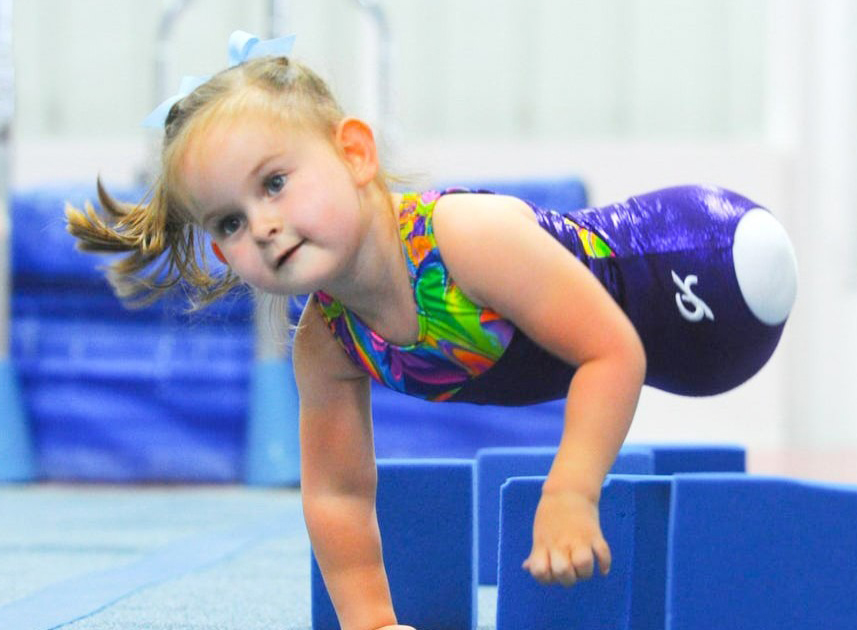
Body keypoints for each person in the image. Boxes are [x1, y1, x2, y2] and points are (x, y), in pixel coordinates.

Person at [67, 32, 797, 630]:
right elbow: (338, 496)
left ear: (355, 154)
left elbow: (610, 352)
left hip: (703, 263)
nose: (261, 224)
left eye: (275, 183)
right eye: (229, 221)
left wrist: (572, 493)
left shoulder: (465, 240)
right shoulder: (326, 344)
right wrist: (372, 624)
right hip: (680, 360)